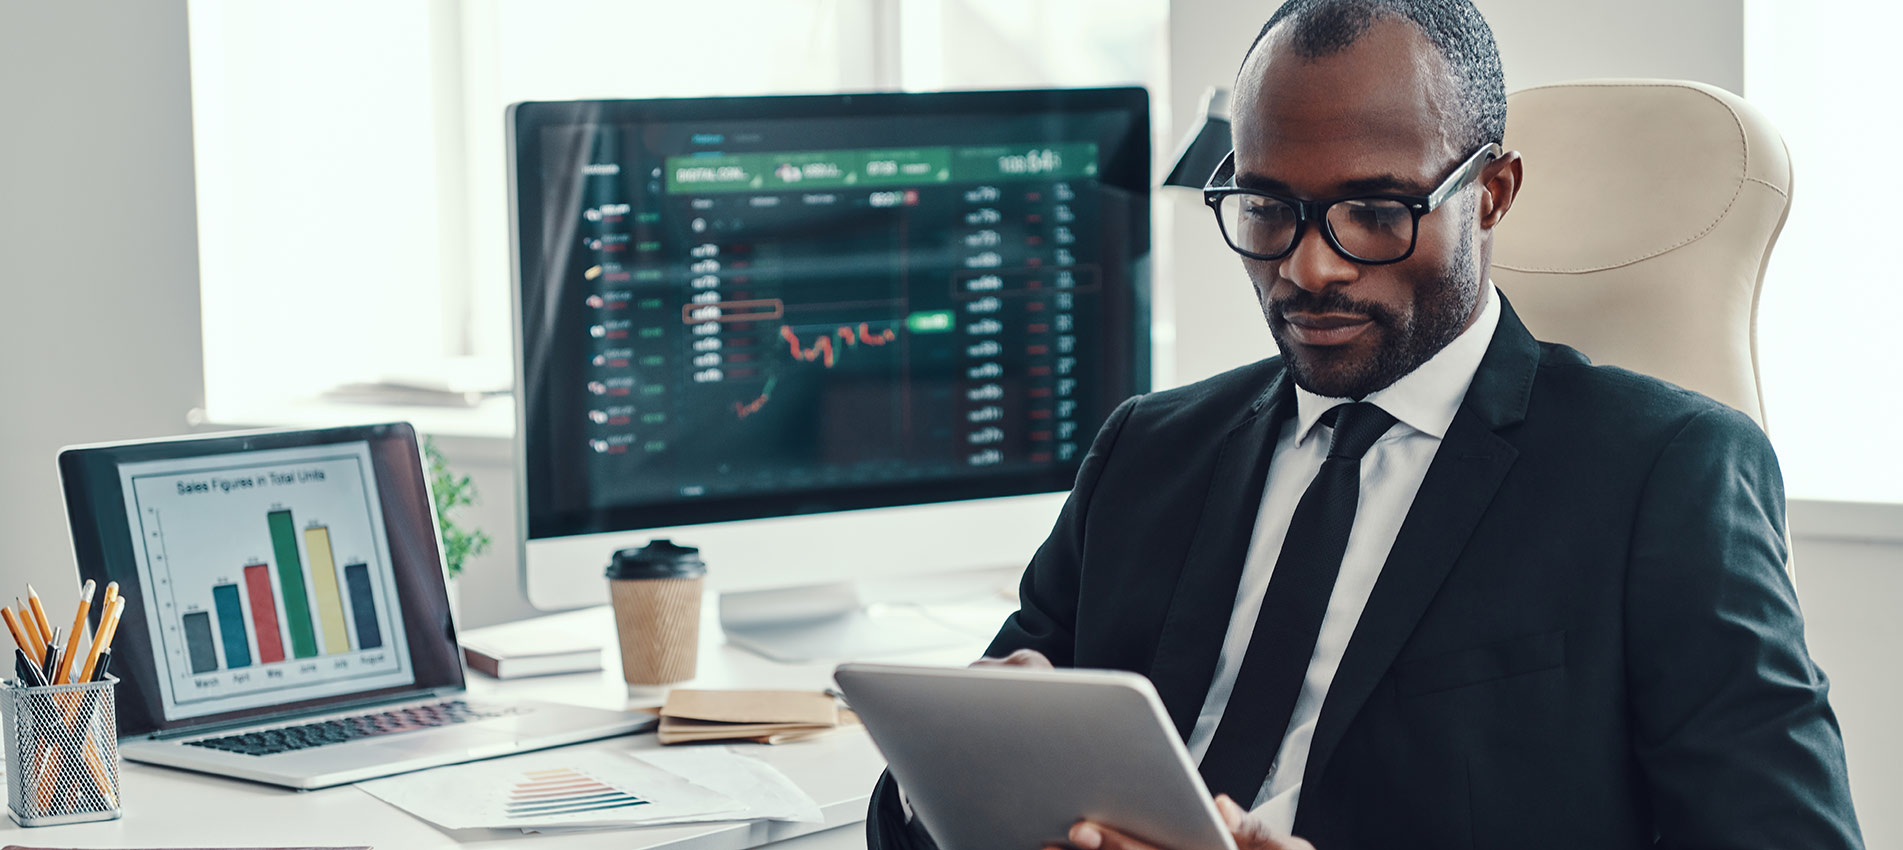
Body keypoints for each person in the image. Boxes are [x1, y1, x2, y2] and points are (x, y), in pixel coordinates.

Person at [865, 0, 1865, 848]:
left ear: (1491, 193)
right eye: (1266, 208)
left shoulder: (1663, 473)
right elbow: (923, 795)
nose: (1309, 268)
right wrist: (959, 776)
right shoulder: (1146, 451)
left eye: (1376, 212)